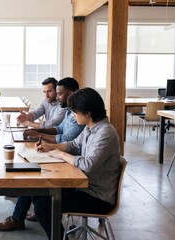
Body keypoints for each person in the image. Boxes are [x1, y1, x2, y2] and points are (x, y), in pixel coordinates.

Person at [0, 77, 85, 232]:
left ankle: (19, 218)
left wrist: (38, 134)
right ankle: (23, 216)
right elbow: (58, 129)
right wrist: (36, 131)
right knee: (30, 173)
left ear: (71, 93)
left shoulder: (73, 114)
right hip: (61, 154)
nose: (54, 95)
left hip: (68, 161)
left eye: (58, 93)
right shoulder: (70, 111)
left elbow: (65, 137)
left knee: (32, 176)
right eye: (46, 92)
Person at [33, 87, 121, 239]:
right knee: (39, 194)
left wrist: (60, 153)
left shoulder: (105, 132)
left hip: (98, 197)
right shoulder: (90, 127)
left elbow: (87, 165)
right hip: (85, 187)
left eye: (75, 112)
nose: (73, 116)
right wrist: (50, 148)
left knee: (42, 207)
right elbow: (73, 145)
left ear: (88, 113)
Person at [23, 77, 85, 143]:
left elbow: (66, 139)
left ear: (70, 94)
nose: (57, 98)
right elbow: (59, 129)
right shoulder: (69, 110)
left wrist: (39, 135)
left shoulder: (78, 115)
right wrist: (37, 131)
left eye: (60, 94)